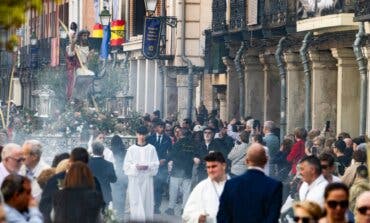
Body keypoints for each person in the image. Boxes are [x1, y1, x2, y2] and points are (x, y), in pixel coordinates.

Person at [217, 143, 283, 223]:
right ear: (266, 160)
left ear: (246, 161)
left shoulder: (231, 184)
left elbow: (222, 217)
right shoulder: (275, 186)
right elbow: (272, 218)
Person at [39, 147, 103, 223]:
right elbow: (101, 207)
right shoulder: (93, 181)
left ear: (69, 161)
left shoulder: (56, 180)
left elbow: (44, 204)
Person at [123, 126, 159, 222]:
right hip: (135, 180)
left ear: (146, 135)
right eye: (139, 134)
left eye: (143, 134)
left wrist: (148, 166)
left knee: (146, 203)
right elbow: (126, 166)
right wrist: (135, 167)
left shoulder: (151, 149)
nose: (141, 137)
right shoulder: (131, 149)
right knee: (135, 203)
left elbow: (156, 164)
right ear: (136, 134)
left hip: (147, 180)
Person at [182, 152, 229, 223]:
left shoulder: (236, 187)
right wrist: (198, 218)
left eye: (214, 166)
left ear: (223, 166)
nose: (210, 170)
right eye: (208, 167)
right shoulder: (201, 187)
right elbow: (186, 215)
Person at [165, 127, 198, 216]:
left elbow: (171, 155)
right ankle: (184, 209)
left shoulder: (177, 144)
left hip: (177, 171)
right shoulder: (193, 144)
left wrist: (165, 161)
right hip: (187, 171)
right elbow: (195, 156)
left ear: (180, 134)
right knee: (186, 192)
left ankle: (171, 208)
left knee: (173, 191)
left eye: (178, 132)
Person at [147, 121, 172, 213]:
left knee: (159, 187)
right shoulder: (150, 138)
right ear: (155, 128)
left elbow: (170, 152)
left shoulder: (167, 139)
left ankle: (157, 207)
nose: (161, 129)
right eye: (159, 127)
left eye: (162, 127)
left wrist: (165, 159)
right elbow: (146, 151)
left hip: (162, 167)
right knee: (150, 186)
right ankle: (149, 205)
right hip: (151, 166)